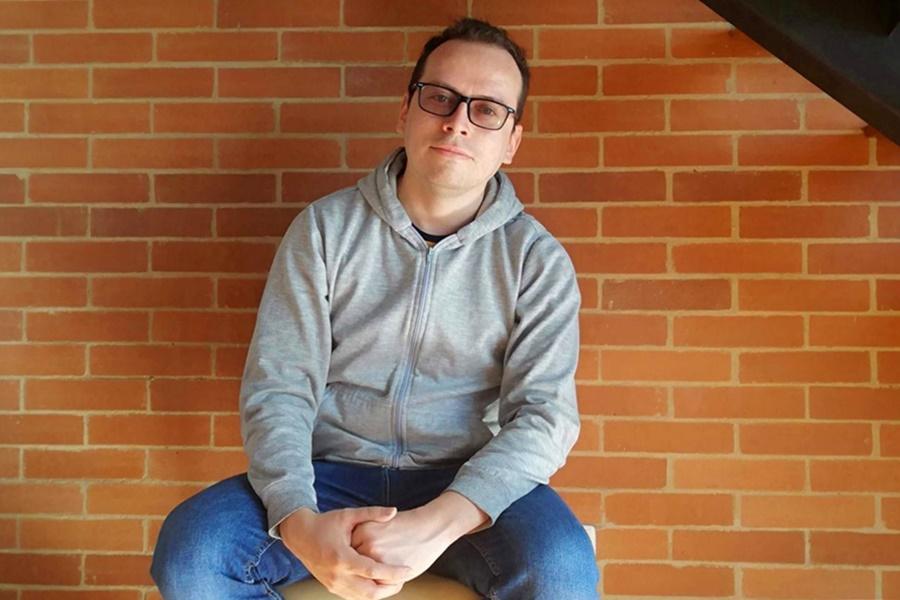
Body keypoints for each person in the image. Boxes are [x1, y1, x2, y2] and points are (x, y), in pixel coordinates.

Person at [150, 17, 599, 600]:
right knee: (192, 553)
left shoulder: (536, 260)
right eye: (440, 98)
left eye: (487, 109)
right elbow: (279, 386)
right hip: (328, 476)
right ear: (405, 111)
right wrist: (300, 523)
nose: (458, 122)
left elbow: (544, 418)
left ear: (511, 141)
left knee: (562, 569)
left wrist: (436, 523)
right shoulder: (324, 230)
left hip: (465, 485)